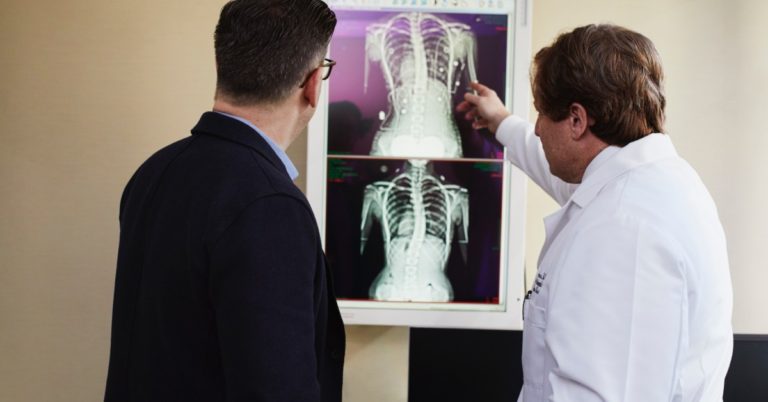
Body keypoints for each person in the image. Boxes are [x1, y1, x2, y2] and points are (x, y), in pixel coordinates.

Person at [458, 24, 733, 401]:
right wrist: (502, 122)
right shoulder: (653, 181)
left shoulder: (623, 228)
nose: (537, 129)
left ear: (577, 119)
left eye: (541, 114)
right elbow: (561, 173)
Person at [104, 1, 344, 401]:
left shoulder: (155, 171)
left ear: (223, 67)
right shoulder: (269, 204)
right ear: (313, 84)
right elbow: (276, 389)